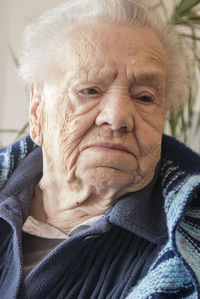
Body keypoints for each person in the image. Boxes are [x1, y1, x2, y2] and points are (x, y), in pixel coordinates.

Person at [0, 0, 200, 298]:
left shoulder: (186, 241)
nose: (118, 117)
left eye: (144, 97)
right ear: (37, 108)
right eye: (89, 90)